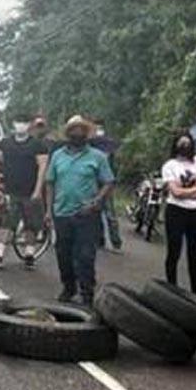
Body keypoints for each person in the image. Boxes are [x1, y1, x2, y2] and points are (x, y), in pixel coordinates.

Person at [45, 115, 114, 305]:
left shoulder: (97, 157)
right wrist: (49, 211)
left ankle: (87, 292)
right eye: (74, 131)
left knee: (85, 255)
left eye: (81, 131)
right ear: (68, 134)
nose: (78, 134)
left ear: (86, 134)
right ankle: (68, 287)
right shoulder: (58, 156)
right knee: (63, 254)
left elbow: (108, 181)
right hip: (62, 212)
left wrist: (96, 201)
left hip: (86, 215)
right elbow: (50, 183)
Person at [0, 112, 49, 269]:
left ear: (29, 125)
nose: (20, 125)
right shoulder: (4, 144)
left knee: (31, 225)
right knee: (6, 223)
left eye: (24, 121)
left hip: (30, 192)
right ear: (13, 124)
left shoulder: (38, 145)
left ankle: (29, 255)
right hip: (10, 191)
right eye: (18, 121)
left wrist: (37, 191)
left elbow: (43, 168)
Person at [161, 129, 196, 293]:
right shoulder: (170, 165)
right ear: (176, 145)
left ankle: (195, 290)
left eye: (187, 142)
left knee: (194, 252)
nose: (185, 145)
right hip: (175, 211)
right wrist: (195, 190)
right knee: (174, 250)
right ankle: (171, 288)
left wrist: (188, 192)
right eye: (181, 143)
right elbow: (175, 192)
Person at [90, 120, 123, 252]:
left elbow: (113, 167)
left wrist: (113, 180)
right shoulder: (90, 144)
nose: (98, 129)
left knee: (110, 214)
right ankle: (99, 240)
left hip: (106, 183)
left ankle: (116, 243)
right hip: (93, 182)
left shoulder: (108, 146)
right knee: (96, 212)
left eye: (100, 127)